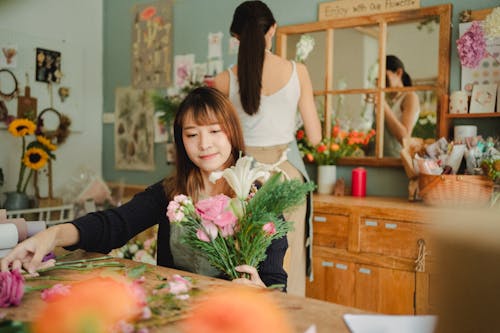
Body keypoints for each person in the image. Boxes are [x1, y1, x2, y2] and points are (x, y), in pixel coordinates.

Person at [0, 87, 288, 289]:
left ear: (233, 133)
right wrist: (51, 236)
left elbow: (276, 283)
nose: (204, 144)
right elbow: (113, 224)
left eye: (215, 131)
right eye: (192, 134)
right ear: (181, 141)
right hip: (177, 310)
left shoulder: (259, 198)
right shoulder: (171, 192)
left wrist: (263, 291)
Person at [213, 0, 321, 296]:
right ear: (272, 29)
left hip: (243, 180)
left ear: (236, 36)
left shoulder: (225, 80)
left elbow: (215, 140)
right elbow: (315, 137)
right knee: (288, 257)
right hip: (286, 177)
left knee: (242, 254)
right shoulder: (298, 72)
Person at [383, 55, 421, 157]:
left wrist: (383, 106)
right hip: (375, 157)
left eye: (384, 76)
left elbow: (405, 138)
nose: (381, 81)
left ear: (399, 73)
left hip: (396, 160)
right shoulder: (384, 97)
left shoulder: (410, 97)